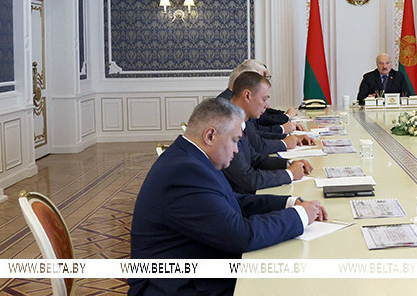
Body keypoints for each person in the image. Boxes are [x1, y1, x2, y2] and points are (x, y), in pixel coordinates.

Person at [129, 98, 327, 295]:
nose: (236, 149)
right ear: (210, 136)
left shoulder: (192, 158)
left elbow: (233, 201)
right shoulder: (185, 171)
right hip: (180, 286)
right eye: (234, 140)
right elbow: (241, 236)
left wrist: (290, 203)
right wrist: (299, 216)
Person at [223, 71, 315, 194]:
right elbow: (247, 180)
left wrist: (288, 164)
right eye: (264, 99)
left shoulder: (241, 119)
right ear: (247, 96)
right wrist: (289, 174)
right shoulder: (226, 125)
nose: (267, 106)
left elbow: (255, 158)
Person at [217, 59, 305, 136]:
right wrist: (283, 127)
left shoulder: (233, 100)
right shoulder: (227, 107)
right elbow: (256, 134)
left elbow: (263, 119)